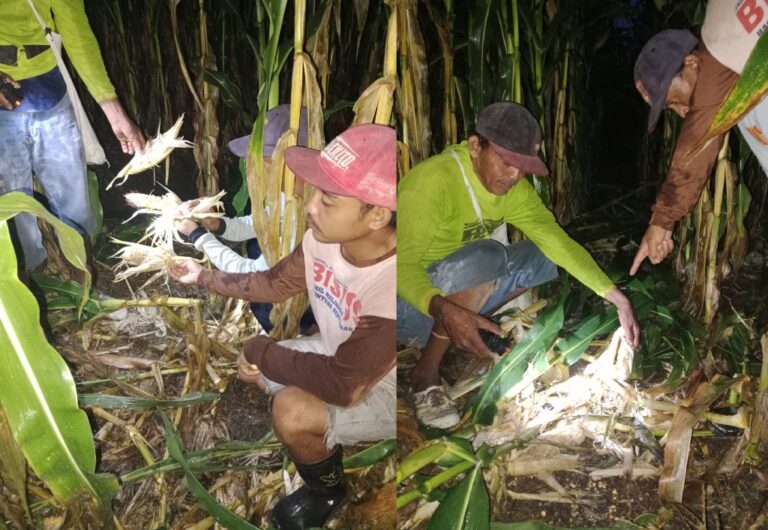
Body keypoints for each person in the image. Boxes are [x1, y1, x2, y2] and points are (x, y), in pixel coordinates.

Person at [170, 124, 396, 530]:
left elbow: (345, 384)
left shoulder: (392, 282)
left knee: (289, 409)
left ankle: (328, 491)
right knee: (262, 373)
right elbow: (272, 284)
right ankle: (323, 441)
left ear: (377, 214)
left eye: (327, 199)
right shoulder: (323, 239)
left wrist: (263, 349)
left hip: (387, 386)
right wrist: (200, 276)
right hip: (338, 352)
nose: (310, 207)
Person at [397, 101, 641, 429]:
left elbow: (558, 242)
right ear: (474, 147)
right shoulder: (432, 182)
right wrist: (445, 311)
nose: (515, 175)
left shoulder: (512, 190)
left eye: (522, 166)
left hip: (452, 297)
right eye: (506, 162)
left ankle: (471, 329)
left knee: (542, 254)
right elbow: (400, 268)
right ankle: (425, 377)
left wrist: (616, 298)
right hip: (407, 309)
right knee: (488, 256)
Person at [0, 0, 145, 272]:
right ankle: (21, 287)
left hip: (49, 89)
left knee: (74, 200)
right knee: (10, 206)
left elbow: (77, 33)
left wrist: (114, 111)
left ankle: (83, 279)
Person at [631, 1, 768, 275]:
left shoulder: (718, 47)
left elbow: (694, 149)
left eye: (675, 102)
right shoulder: (723, 28)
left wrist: (662, 220)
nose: (684, 113)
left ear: (691, 63)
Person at [176, 104, 315, 333]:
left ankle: (301, 330)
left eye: (264, 158)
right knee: (256, 244)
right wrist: (217, 223)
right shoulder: (288, 193)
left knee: (262, 293)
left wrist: (196, 235)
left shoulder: (310, 218)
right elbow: (258, 224)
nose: (256, 165)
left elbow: (251, 275)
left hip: (311, 296)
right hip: (291, 281)